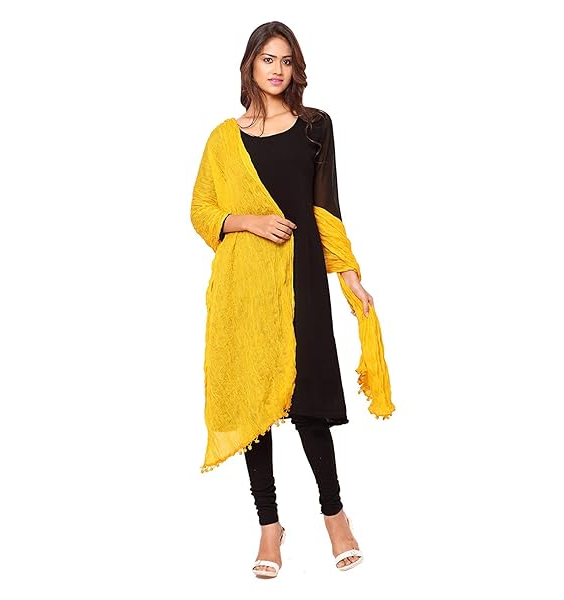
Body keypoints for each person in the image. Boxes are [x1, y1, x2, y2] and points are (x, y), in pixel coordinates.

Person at [190, 21, 393, 578]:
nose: (277, 70)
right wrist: (249, 221)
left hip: (302, 277)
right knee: (254, 403)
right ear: (250, 65)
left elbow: (326, 207)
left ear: (296, 69)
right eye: (268, 59)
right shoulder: (223, 139)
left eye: (286, 61)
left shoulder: (314, 126)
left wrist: (348, 275)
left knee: (308, 400)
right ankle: (269, 526)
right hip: (245, 288)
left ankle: (335, 515)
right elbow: (202, 211)